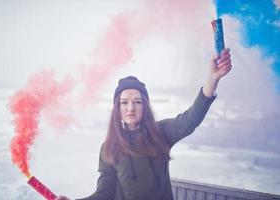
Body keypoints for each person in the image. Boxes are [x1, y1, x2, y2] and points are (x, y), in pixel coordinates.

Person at [57, 48, 232, 200]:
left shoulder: (161, 132)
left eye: (137, 102)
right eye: (124, 102)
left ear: (145, 106)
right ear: (117, 108)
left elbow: (191, 119)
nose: (130, 108)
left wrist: (213, 80)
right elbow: (104, 194)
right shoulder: (109, 147)